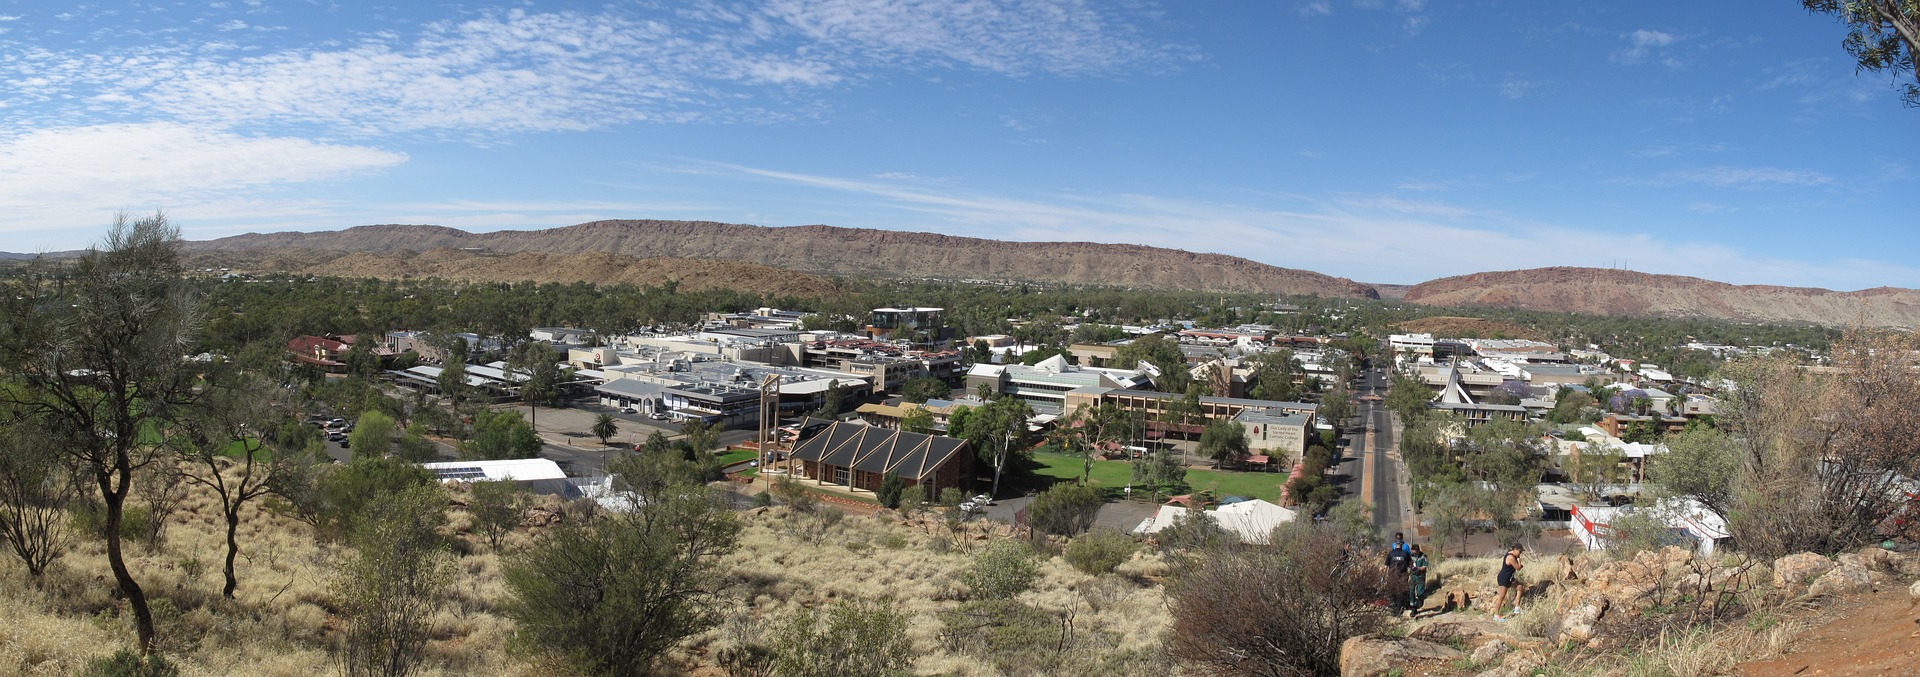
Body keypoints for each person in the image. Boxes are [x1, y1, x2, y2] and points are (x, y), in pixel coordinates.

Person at [1491, 545, 1524, 621]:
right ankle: (1496, 615)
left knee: (1520, 587)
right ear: (1515, 549)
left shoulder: (1512, 554)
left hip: (1510, 578)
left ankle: (1517, 608)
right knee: (1501, 597)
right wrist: (1519, 559)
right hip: (1504, 579)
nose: (1520, 553)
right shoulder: (1511, 557)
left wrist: (1517, 557)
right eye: (1520, 551)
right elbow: (1518, 568)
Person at [1384, 532, 1412, 610]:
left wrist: (1384, 576)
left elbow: (1386, 566)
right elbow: (1410, 564)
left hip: (1392, 576)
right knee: (1403, 591)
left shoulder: (1390, 554)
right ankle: (1403, 606)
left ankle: (1393, 607)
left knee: (1392, 591)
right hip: (1402, 575)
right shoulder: (1405, 553)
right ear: (1402, 544)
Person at [1408, 544, 1430, 614]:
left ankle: (1420, 600)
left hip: (1421, 576)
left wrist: (1419, 569)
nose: (1414, 553)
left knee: (1420, 592)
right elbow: (1409, 564)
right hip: (1413, 576)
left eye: (1415, 552)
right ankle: (1413, 608)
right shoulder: (1411, 556)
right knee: (1411, 591)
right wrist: (1410, 568)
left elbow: (1425, 566)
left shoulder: (1423, 556)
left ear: (1417, 550)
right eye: (1413, 551)